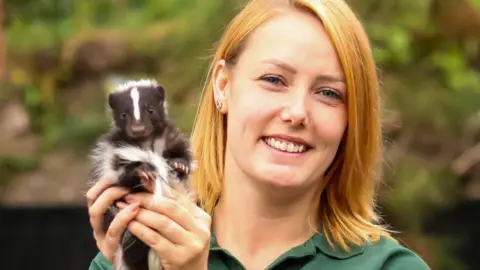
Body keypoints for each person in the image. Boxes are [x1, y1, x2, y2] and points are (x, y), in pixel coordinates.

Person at [87, 0, 432, 269]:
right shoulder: (139, 253)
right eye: (274, 80)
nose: (297, 113)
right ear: (224, 85)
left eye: (329, 93)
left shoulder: (389, 267)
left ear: (351, 120)